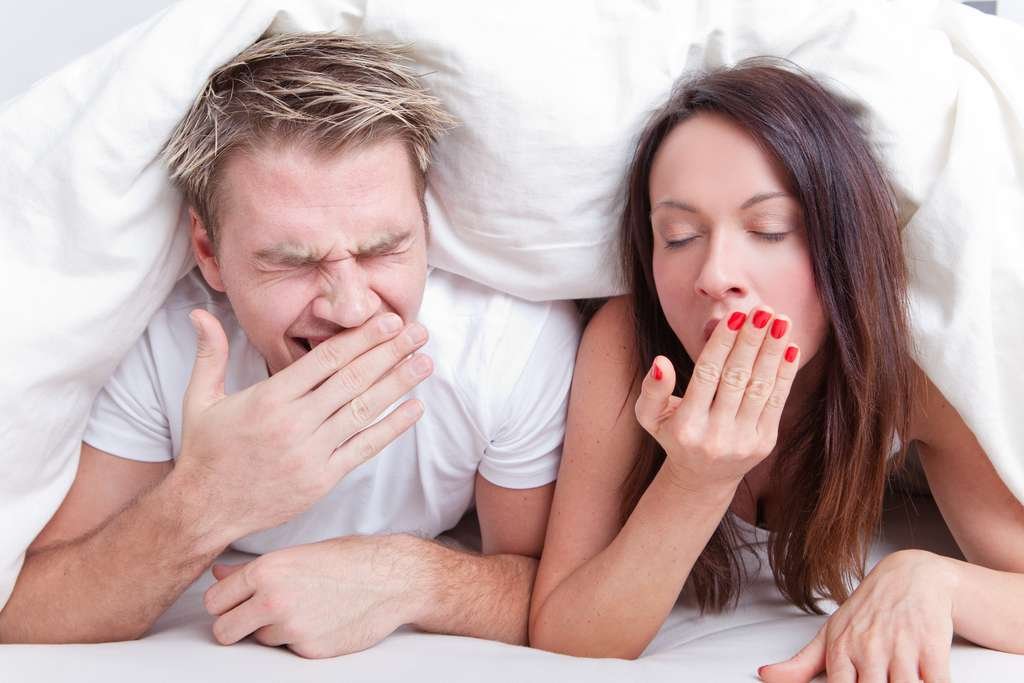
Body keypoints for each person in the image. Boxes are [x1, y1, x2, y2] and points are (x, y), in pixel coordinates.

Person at [0, 33, 580, 658]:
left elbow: (557, 594)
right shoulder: (164, 340)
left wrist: (404, 577)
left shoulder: (508, 343)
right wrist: (208, 499)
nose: (351, 309)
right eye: (291, 262)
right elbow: (29, 611)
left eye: (384, 248)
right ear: (208, 252)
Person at [528, 60, 1024, 681]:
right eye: (678, 236)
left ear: (843, 243)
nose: (714, 276)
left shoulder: (911, 373)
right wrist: (695, 481)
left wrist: (931, 579)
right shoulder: (630, 345)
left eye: (769, 229)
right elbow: (567, 635)